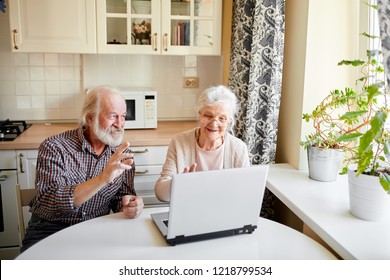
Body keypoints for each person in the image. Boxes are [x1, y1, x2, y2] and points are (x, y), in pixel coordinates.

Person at [21, 86, 144, 253]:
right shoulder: (55, 147)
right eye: (113, 116)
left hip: (96, 230)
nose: (120, 124)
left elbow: (120, 198)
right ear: (90, 118)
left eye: (123, 116)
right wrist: (102, 179)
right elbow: (49, 203)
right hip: (49, 230)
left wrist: (130, 205)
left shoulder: (122, 154)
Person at [154, 85, 250, 202]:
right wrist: (179, 182)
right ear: (199, 115)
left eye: (222, 118)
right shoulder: (179, 142)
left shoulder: (239, 148)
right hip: (187, 211)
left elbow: (245, 193)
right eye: (208, 116)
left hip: (225, 212)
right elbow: (160, 194)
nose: (214, 123)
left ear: (229, 120)